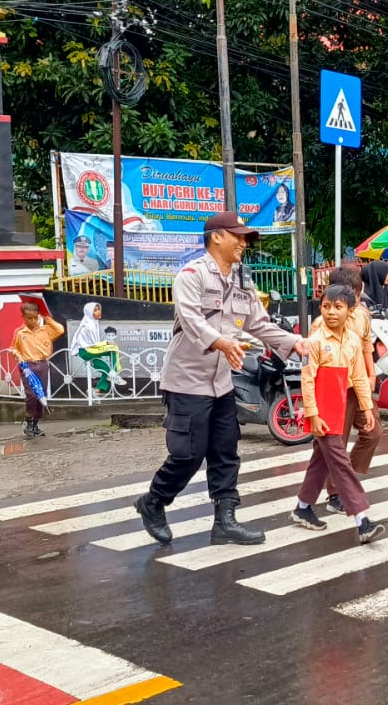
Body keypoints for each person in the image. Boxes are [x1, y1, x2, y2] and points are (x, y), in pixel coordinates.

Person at [133, 211, 308, 546]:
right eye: (237, 236)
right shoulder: (191, 275)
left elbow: (259, 323)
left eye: (245, 238)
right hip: (186, 381)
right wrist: (222, 342)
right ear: (216, 237)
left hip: (222, 383)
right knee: (187, 453)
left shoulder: (243, 281)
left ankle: (225, 520)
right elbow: (192, 319)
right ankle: (153, 501)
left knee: (226, 450)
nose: (243, 243)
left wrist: (295, 343)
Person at [290, 284, 386, 544]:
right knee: (340, 461)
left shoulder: (353, 340)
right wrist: (313, 414)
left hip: (341, 403)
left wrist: (366, 407)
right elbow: (307, 380)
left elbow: (358, 376)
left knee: (322, 460)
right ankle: (362, 519)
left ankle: (302, 507)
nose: (331, 312)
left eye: (338, 307)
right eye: (326, 307)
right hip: (322, 407)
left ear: (350, 310)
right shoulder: (316, 341)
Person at [311, 267, 384, 513]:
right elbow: (311, 369)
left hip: (358, 383)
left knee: (373, 432)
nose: (355, 302)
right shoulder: (320, 324)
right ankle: (336, 493)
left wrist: (371, 375)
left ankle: (344, 478)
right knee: (335, 443)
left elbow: (366, 346)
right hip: (333, 387)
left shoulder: (362, 315)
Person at [10, 301, 65, 437]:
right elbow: (13, 348)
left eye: (35, 317)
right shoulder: (20, 332)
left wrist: (47, 317)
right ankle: (28, 421)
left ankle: (35, 424)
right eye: (29, 318)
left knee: (41, 394)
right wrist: (18, 355)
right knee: (31, 395)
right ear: (23, 317)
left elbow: (60, 330)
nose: (33, 321)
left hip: (42, 364)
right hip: (28, 366)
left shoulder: (45, 330)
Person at [71, 303, 119, 395]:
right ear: (89, 312)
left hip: (91, 350)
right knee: (114, 349)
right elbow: (93, 344)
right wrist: (106, 343)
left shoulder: (93, 322)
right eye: (95, 310)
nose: (98, 312)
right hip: (87, 351)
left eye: (99, 309)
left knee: (107, 368)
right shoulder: (89, 325)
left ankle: (97, 390)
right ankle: (114, 373)